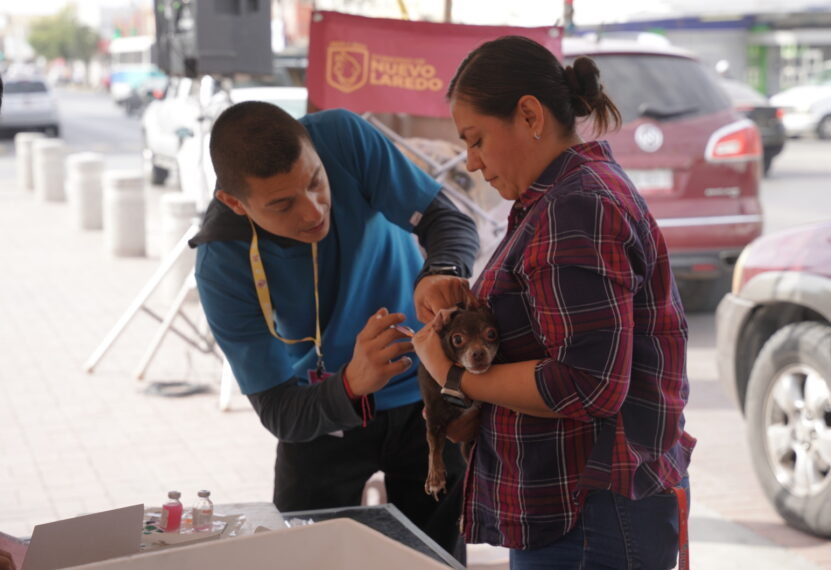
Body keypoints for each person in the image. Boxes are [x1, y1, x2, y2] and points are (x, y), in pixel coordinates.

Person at [412, 36, 696, 569]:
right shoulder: (557, 197)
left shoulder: (575, 207)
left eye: (476, 140)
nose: (470, 162)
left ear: (528, 114)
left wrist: (456, 377)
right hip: (582, 511)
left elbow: (588, 384)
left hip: (591, 518)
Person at [190, 101, 479, 556]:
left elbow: (450, 222)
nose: (312, 212)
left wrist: (439, 271)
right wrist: (350, 384)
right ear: (234, 202)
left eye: (316, 182)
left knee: (435, 557)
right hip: (321, 412)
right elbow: (280, 410)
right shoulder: (220, 263)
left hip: (426, 395)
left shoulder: (341, 137)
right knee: (307, 556)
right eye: (283, 203)